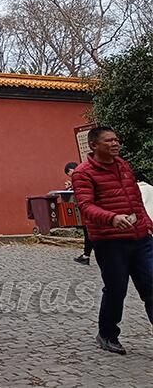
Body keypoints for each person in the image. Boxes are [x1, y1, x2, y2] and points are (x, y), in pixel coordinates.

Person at [71, 127, 153, 355]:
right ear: (94, 145)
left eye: (117, 139)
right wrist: (112, 218)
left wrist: (147, 223)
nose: (115, 143)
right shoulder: (83, 173)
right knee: (117, 290)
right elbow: (85, 206)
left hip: (140, 237)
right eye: (109, 140)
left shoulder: (123, 165)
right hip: (110, 241)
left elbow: (136, 200)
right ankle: (107, 334)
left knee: (151, 286)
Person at [62, 162, 93, 265]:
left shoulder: (79, 176)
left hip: (87, 209)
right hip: (90, 208)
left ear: (71, 170)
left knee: (89, 232)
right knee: (88, 232)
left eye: (69, 174)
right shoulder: (86, 173)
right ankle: (86, 255)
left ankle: (87, 256)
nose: (70, 177)